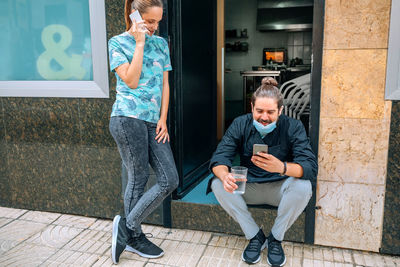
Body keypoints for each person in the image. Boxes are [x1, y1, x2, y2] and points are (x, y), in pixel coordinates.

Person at [208, 77, 317, 266]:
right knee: (217, 183)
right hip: (249, 187)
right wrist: (225, 175)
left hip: (281, 190)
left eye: (270, 112)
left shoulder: (293, 126)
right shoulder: (240, 124)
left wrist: (282, 167)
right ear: (251, 107)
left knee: (304, 186)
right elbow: (220, 157)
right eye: (259, 111)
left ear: (280, 111)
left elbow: (309, 167)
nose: (264, 117)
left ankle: (275, 238)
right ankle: (255, 236)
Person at [108, 0, 179, 264]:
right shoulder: (117, 43)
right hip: (127, 118)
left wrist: (163, 118)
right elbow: (132, 79)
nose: (153, 27)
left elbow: (165, 84)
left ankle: (127, 226)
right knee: (137, 178)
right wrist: (139, 42)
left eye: (157, 22)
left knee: (170, 179)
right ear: (134, 16)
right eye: (149, 21)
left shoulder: (161, 44)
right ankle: (135, 236)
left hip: (153, 122)